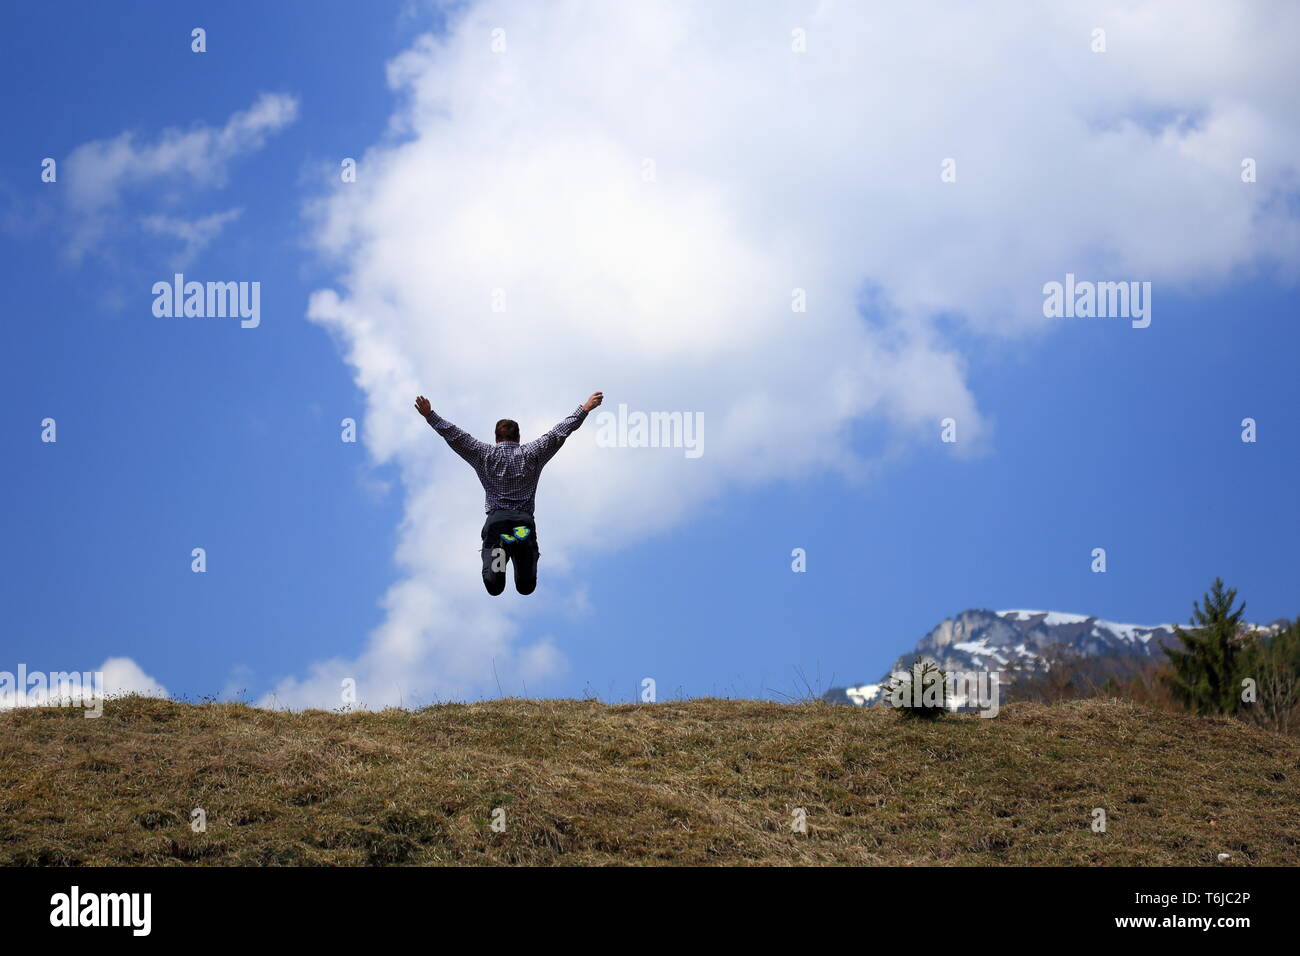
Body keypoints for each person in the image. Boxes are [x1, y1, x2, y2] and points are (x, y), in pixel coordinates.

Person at [414, 391, 603, 595]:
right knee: (526, 587)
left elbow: (456, 436)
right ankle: (522, 553)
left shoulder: (484, 454)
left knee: (494, 587)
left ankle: (499, 550)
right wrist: (584, 409)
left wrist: (430, 415)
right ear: (519, 437)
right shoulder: (532, 453)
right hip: (523, 525)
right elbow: (559, 433)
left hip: (497, 524)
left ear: (496, 438)